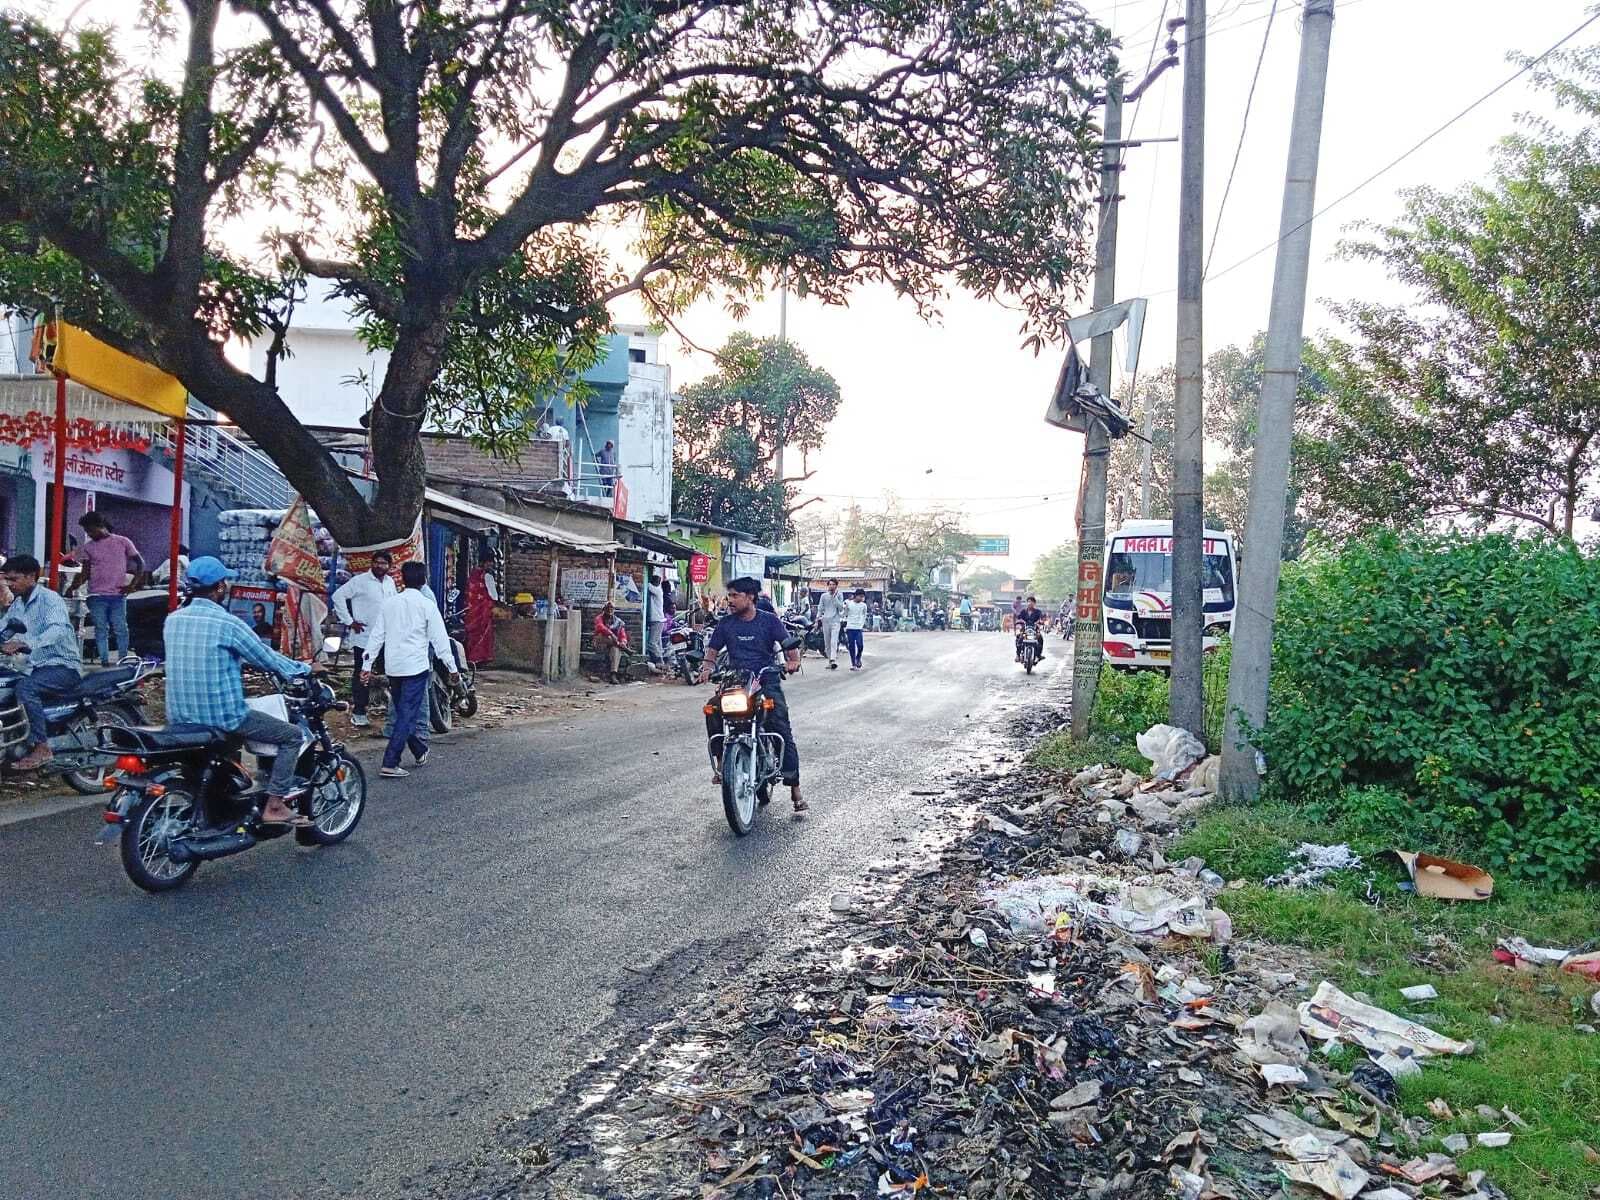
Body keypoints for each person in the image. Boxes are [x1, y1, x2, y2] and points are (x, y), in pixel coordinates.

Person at [163, 557, 316, 825]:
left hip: (181, 716)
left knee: (231, 745)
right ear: (220, 586)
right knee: (292, 736)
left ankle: (227, 804)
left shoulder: (173, 620)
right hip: (224, 716)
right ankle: (276, 805)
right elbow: (266, 658)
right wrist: (302, 669)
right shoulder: (227, 623)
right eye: (225, 581)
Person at [697, 576, 805, 812]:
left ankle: (795, 787)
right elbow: (712, 650)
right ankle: (721, 764)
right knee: (713, 708)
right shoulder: (726, 624)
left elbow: (788, 643)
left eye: (735, 595)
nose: (730, 600)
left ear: (751, 597)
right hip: (736, 680)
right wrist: (706, 668)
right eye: (730, 596)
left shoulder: (769, 621)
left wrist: (793, 660)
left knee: (780, 726)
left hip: (766, 679)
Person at [362, 561, 456, 779]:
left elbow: (376, 636)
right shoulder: (427, 606)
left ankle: (420, 749)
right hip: (415, 667)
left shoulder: (390, 604)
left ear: (402, 579)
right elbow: (441, 641)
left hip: (394, 667)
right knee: (407, 714)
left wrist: (367, 665)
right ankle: (390, 761)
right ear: (424, 580)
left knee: (405, 712)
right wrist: (452, 669)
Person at [1, 555, 82, 771]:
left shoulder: (50, 599)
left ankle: (41, 747)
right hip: (32, 666)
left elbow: (57, 630)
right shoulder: (18, 604)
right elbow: (4, 628)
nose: (10, 584)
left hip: (61, 665)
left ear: (31, 576)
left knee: (25, 689)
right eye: (6, 580)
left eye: (14, 579)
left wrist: (24, 643)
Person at [67, 512, 143, 666]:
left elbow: (140, 563)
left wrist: (133, 585)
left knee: (120, 628)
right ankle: (104, 661)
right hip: (96, 595)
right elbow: (85, 572)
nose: (89, 534)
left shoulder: (123, 542)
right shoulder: (88, 547)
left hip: (117, 595)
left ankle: (123, 660)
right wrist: (73, 587)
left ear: (100, 526)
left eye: (90, 530)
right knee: (101, 629)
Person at [330, 550, 396, 727]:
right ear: (371, 563)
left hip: (386, 638)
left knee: (388, 673)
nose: (379, 566)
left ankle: (387, 708)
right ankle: (359, 711)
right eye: (377, 562)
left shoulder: (390, 583)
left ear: (389, 566)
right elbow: (338, 596)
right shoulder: (360, 581)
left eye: (383, 563)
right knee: (362, 673)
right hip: (364, 638)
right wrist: (350, 621)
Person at [464, 552, 497, 666]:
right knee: (483, 634)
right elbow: (493, 595)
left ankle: (471, 659)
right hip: (483, 611)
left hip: (472, 611)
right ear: (487, 562)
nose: (491, 565)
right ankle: (480, 659)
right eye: (490, 562)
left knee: (473, 635)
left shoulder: (473, 575)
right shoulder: (488, 576)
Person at [593, 601, 629, 683]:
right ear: (604, 609)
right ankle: (620, 646)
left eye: (611, 608)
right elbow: (600, 627)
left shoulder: (618, 621)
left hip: (613, 645)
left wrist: (623, 641)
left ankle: (613, 674)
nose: (609, 610)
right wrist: (611, 634)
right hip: (601, 644)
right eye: (608, 608)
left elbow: (623, 634)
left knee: (616, 650)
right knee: (608, 637)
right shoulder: (599, 618)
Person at [815, 579, 844, 670]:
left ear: (836, 586)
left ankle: (833, 660)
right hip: (825, 621)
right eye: (830, 584)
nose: (831, 586)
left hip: (835, 620)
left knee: (833, 641)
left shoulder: (839, 595)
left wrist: (835, 597)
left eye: (833, 584)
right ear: (828, 585)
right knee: (827, 642)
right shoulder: (824, 596)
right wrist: (817, 619)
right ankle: (829, 660)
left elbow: (840, 608)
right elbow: (820, 608)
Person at [1015, 594, 1048, 662]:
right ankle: (1018, 655)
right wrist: (1019, 621)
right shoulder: (1023, 611)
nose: (1030, 603)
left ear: (1034, 603)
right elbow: (1019, 618)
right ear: (1027, 603)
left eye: (1032, 602)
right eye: (1029, 601)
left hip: (1035, 629)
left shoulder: (1038, 612)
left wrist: (1041, 622)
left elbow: (1041, 619)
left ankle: (1038, 655)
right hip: (1025, 629)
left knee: (1040, 638)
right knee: (1019, 638)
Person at [844, 588, 869, 671]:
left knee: (860, 645)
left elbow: (864, 615)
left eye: (863, 597)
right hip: (850, 627)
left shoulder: (863, 605)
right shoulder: (849, 604)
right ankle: (853, 663)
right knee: (851, 646)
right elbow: (845, 614)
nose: (861, 598)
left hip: (858, 628)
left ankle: (858, 658)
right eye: (860, 596)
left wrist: (862, 624)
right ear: (856, 596)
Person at [646, 573, 665, 663]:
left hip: (657, 620)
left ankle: (659, 659)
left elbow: (647, 585)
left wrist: (646, 579)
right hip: (657, 620)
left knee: (651, 643)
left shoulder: (657, 590)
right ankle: (660, 661)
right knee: (657, 642)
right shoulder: (657, 590)